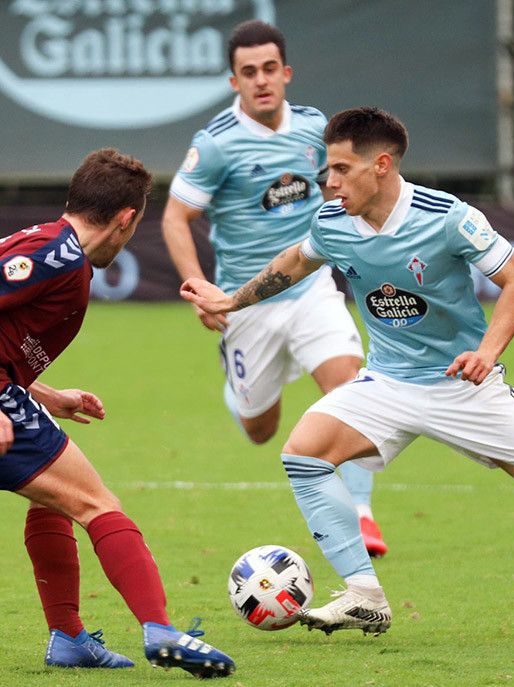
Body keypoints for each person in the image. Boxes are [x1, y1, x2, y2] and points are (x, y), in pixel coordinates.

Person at [180, 109, 514, 644]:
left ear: (380, 165)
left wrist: (486, 353)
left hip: (462, 385)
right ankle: (364, 595)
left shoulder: (448, 216)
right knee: (303, 453)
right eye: (324, 171)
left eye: (338, 169)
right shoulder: (331, 221)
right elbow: (293, 262)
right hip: (386, 383)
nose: (328, 183)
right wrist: (233, 300)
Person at [0, 148, 236, 677]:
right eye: (136, 224)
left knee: (52, 502)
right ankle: (161, 629)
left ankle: (69, 638)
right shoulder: (59, 253)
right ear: (126, 218)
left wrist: (49, 397)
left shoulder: (49, 246)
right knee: (98, 503)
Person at [161, 20, 390, 557]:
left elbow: (343, 187)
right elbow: (175, 219)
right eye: (249, 72)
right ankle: (241, 388)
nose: (261, 80)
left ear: (286, 73)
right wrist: (197, 285)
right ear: (234, 81)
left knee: (349, 390)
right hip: (247, 304)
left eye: (270, 69)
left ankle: (360, 513)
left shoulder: (315, 128)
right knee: (260, 428)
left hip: (312, 288)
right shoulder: (215, 145)